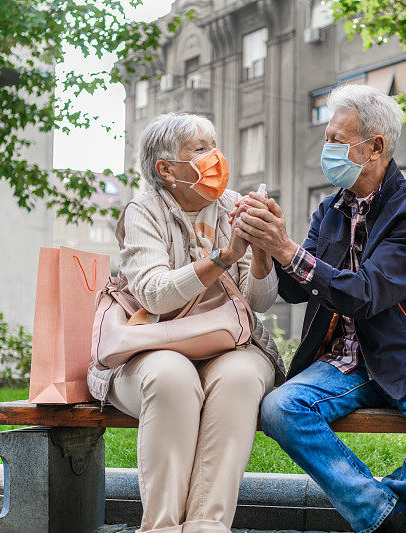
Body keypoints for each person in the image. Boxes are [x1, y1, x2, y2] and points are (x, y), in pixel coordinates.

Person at [233, 84, 406, 533]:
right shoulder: (331, 210)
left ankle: (387, 511)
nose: (325, 149)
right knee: (280, 408)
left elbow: (365, 294)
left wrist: (284, 246)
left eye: (335, 140)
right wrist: (263, 243)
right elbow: (294, 288)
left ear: (375, 146)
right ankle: (395, 522)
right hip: (344, 363)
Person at [87, 112, 286, 533]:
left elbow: (260, 303)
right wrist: (224, 257)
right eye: (200, 149)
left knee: (239, 380)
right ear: (166, 169)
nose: (215, 157)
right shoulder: (144, 211)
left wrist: (264, 250)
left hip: (229, 344)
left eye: (214, 145)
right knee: (171, 377)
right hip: (150, 346)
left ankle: (206, 527)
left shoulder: (233, 206)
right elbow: (153, 293)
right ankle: (160, 528)